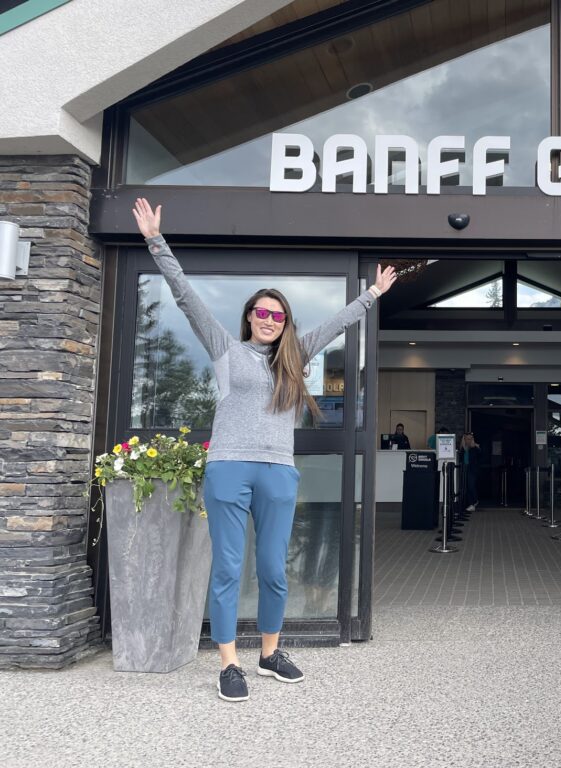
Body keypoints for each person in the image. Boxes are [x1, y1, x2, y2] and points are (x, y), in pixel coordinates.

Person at [131, 198, 396, 703]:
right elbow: (185, 296)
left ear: (285, 322)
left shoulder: (294, 358)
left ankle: (270, 653)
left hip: (278, 472)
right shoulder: (226, 350)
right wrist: (154, 241)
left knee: (274, 570)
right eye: (262, 312)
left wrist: (373, 294)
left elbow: (338, 324)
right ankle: (229, 663)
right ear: (249, 317)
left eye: (278, 314)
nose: (270, 319)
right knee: (230, 567)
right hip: (229, 468)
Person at [461, 432, 480, 512]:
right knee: (466, 487)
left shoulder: (475, 448)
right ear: (464, 440)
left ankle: (474, 501)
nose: (468, 440)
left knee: (471, 486)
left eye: (470, 439)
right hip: (464, 469)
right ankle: (471, 504)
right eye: (467, 439)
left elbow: (480, 457)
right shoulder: (463, 449)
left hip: (472, 470)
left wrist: (476, 446)